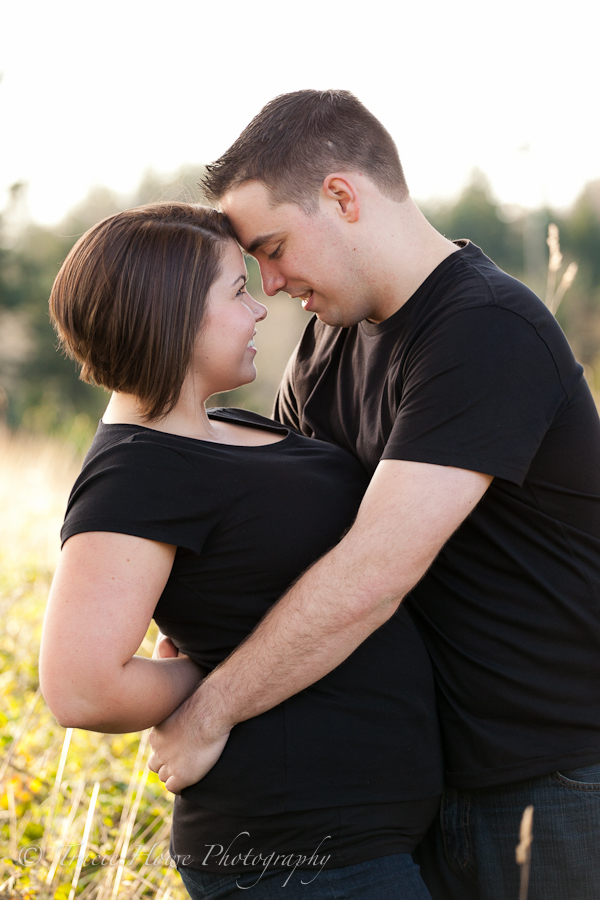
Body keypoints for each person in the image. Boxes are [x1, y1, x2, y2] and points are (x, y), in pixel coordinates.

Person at [146, 92, 600, 900]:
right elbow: (285, 528)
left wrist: (209, 709)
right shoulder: (327, 341)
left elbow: (374, 567)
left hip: (555, 780)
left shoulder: (486, 329)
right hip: (414, 789)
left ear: (343, 197)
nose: (274, 284)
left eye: (275, 248)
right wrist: (195, 621)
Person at [39, 201, 443, 899]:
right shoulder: (137, 470)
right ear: (170, 315)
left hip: (364, 836)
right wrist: (212, 681)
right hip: (294, 850)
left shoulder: (216, 426)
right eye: (236, 291)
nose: (259, 310)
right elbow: (80, 686)